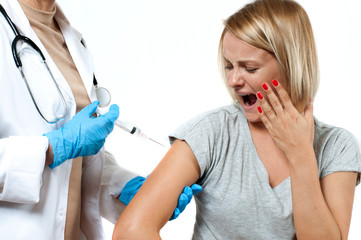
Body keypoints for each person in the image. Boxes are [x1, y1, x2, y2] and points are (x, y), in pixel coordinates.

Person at [112, 0, 361, 239]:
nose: (234, 80)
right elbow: (132, 231)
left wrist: (301, 156)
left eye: (249, 68)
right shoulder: (212, 132)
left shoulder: (337, 146)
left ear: (292, 65)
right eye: (229, 65)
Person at [0, 0, 199, 239]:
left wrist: (122, 184)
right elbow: (63, 144)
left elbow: (74, 162)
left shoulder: (72, 39)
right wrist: (52, 148)